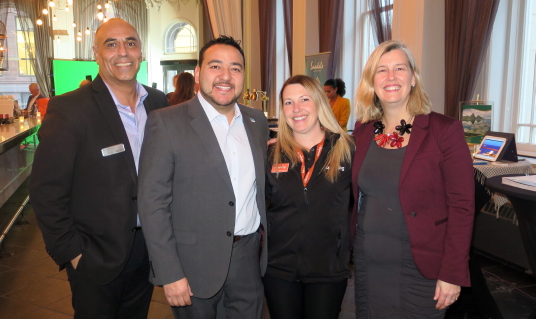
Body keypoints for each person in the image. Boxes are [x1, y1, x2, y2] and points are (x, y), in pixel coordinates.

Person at [29, 18, 169, 319]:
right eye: (111, 44)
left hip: (149, 251)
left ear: (141, 53)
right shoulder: (70, 109)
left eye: (130, 43)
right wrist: (73, 253)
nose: (123, 52)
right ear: (96, 53)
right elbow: (46, 190)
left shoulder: (158, 104)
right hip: (95, 257)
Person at [138, 35, 269, 319]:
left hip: (247, 262)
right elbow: (152, 204)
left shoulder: (256, 122)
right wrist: (169, 272)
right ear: (198, 73)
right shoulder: (167, 122)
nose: (225, 76)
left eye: (235, 68)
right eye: (215, 66)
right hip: (192, 267)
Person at [351, 40, 474, 318]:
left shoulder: (445, 131)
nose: (391, 77)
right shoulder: (362, 131)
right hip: (369, 262)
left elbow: (462, 207)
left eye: (399, 68)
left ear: (413, 77)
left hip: (421, 266)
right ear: (372, 81)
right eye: (382, 70)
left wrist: (452, 273)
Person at [264, 75, 354, 319]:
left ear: (319, 102)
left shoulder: (347, 150)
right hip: (278, 269)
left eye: (304, 99)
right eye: (288, 102)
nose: (297, 109)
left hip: (328, 269)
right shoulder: (271, 153)